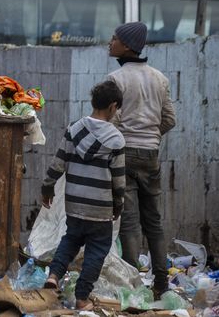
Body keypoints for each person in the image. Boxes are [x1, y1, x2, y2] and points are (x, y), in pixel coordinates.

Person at [41, 80, 126, 311]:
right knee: (97, 250)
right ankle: (81, 297)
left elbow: (58, 162)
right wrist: (118, 203)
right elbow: (118, 179)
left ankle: (54, 276)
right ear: (113, 106)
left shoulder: (74, 129)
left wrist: (47, 186)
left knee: (71, 239)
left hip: (75, 204)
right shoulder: (116, 140)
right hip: (99, 207)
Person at [107, 21, 176, 298]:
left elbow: (111, 120)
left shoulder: (116, 79)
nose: (110, 42)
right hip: (151, 156)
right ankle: (161, 283)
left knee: (129, 222)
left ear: (127, 46)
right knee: (154, 221)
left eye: (115, 38)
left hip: (125, 154)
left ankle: (134, 285)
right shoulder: (159, 78)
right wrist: (152, 137)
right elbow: (169, 119)